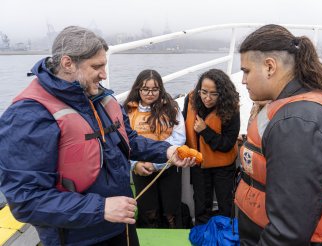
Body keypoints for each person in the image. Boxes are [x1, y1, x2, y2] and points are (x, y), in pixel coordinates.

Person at [0, 26, 195, 246]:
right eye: (97, 66)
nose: (104, 74)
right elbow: (26, 200)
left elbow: (127, 138)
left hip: (121, 224)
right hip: (79, 238)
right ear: (67, 63)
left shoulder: (100, 98)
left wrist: (166, 151)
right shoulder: (27, 116)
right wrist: (100, 208)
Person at [234, 24, 322, 245]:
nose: (243, 80)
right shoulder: (300, 108)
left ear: (269, 66)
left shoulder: (296, 124)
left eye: (246, 71)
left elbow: (287, 233)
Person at [123, 69, 185, 228]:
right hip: (140, 169)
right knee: (148, 212)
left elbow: (179, 138)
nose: (150, 93)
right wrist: (135, 164)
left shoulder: (172, 109)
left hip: (169, 168)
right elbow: (123, 142)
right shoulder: (127, 111)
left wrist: (156, 164)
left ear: (160, 89)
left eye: (155, 89)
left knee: (171, 211)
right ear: (138, 89)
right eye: (145, 89)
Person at [183, 69, 240, 225]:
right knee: (201, 205)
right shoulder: (191, 99)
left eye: (214, 94)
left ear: (222, 93)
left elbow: (227, 144)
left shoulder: (231, 107)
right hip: (199, 164)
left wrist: (205, 131)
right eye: (204, 92)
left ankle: (225, 236)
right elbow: (183, 125)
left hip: (223, 165)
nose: (207, 98)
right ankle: (203, 235)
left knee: (225, 204)